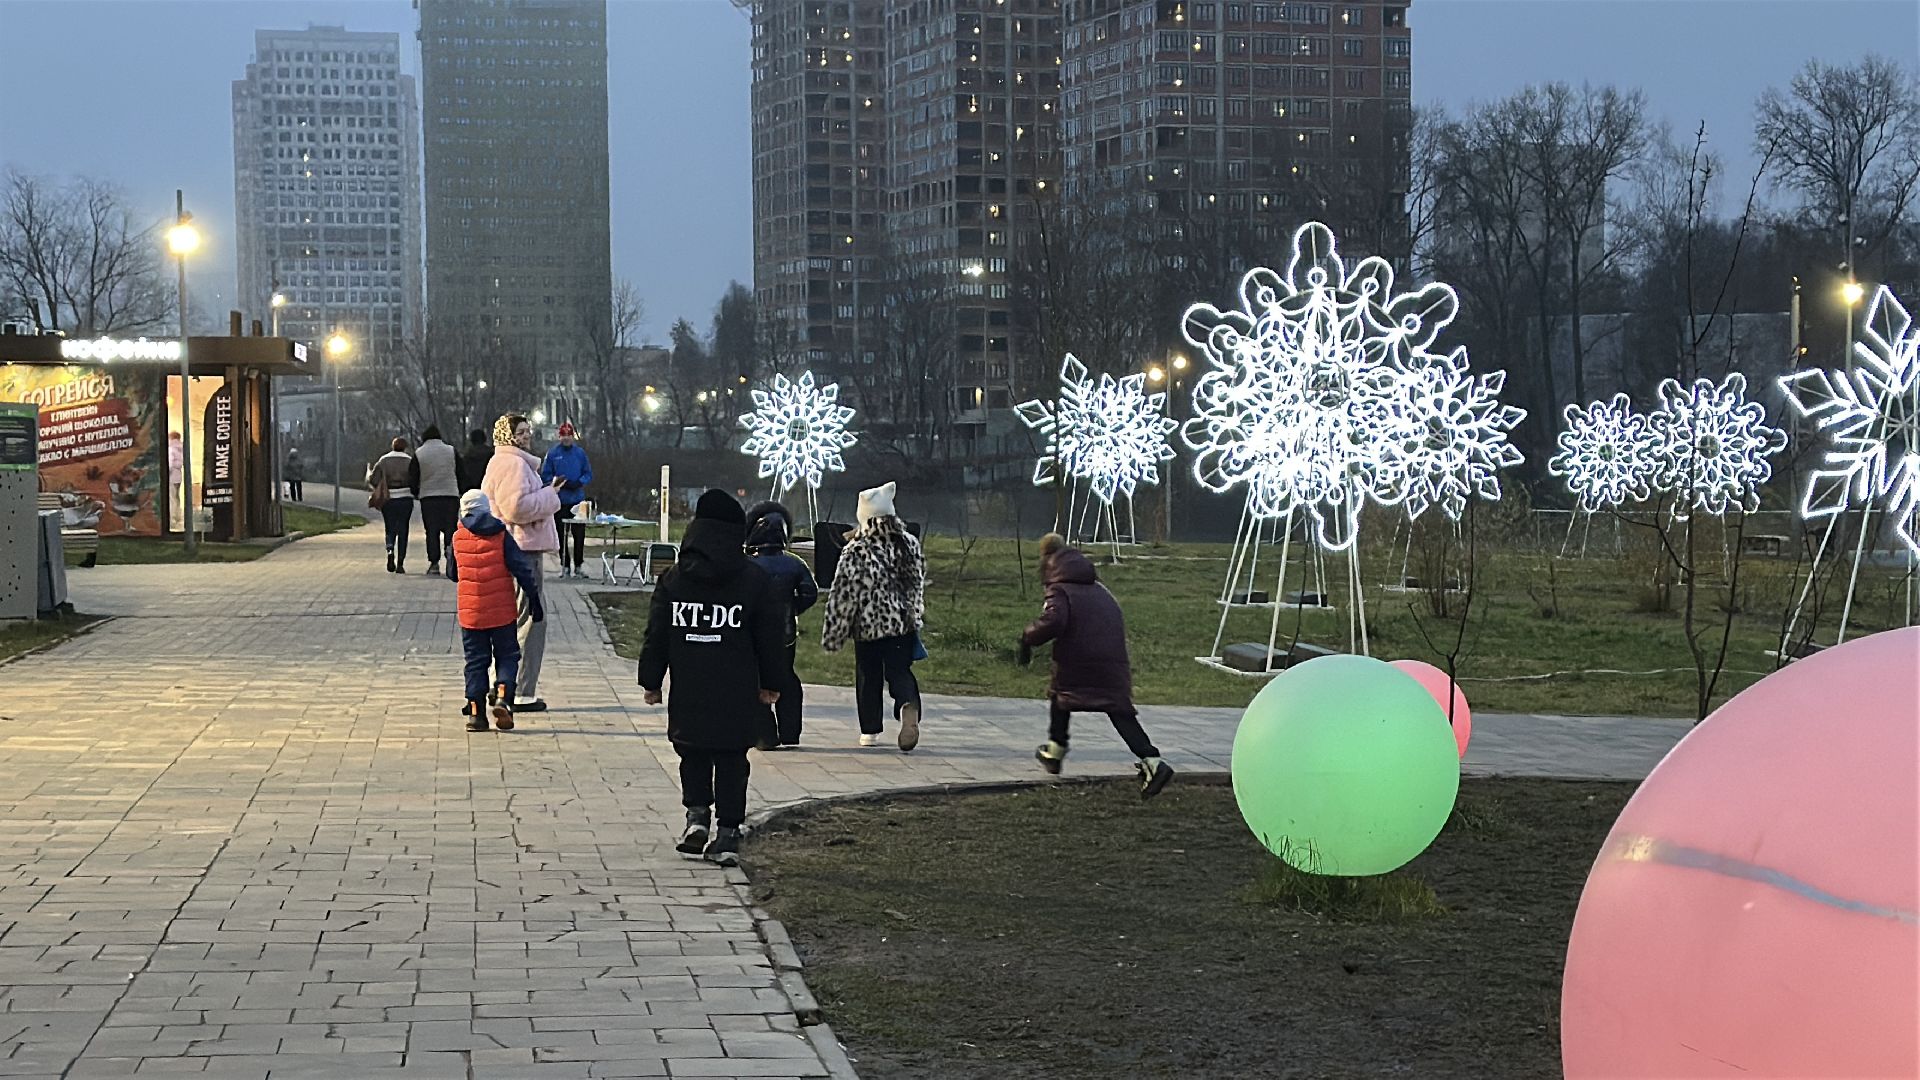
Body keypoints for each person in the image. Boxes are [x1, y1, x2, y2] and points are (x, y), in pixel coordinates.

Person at [638, 490, 787, 867]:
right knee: (733, 757)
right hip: (736, 687)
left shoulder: (674, 580)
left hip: (690, 685)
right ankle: (728, 832)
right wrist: (772, 682)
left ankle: (697, 817)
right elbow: (770, 636)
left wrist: (651, 680)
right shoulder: (753, 580)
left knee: (692, 751)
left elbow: (657, 634)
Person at [1020, 533, 1174, 800]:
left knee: (1061, 694)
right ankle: (1152, 760)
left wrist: (1027, 637)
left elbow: (1054, 621)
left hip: (1080, 659)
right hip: (1112, 661)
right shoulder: (1099, 589)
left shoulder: (1060, 589)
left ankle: (1055, 751)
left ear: (1048, 563)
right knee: (1116, 710)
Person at [820, 481, 925, 751]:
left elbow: (844, 593)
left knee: (868, 674)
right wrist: (914, 614)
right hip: (900, 623)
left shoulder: (856, 549)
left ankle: (870, 731)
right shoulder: (909, 544)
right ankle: (907, 705)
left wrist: (834, 634)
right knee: (900, 671)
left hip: (866, 626)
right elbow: (916, 583)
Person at [481, 414, 562, 713]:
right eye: (521, 432)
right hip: (523, 549)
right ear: (508, 435)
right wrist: (550, 495)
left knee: (510, 619)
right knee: (532, 619)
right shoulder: (514, 464)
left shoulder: (500, 462)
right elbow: (515, 507)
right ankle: (521, 691)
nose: (527, 436)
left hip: (509, 547)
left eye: (528, 431)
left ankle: (499, 682)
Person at [453, 489, 541, 733]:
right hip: (502, 612)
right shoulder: (501, 534)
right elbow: (522, 568)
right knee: (507, 655)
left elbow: (452, 572)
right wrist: (533, 597)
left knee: (475, 662)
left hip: (471, 613)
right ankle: (503, 696)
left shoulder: (457, 536)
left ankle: (475, 715)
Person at [746, 501, 819, 749]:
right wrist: (792, 609)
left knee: (754, 678)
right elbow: (810, 592)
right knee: (787, 677)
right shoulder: (795, 563)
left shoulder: (746, 564)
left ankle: (765, 732)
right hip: (785, 632)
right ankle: (790, 731)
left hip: (752, 632)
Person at [540, 423, 594, 579]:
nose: (566, 439)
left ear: (572, 436)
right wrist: (557, 483)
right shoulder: (553, 454)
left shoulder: (580, 453)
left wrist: (580, 482)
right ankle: (564, 565)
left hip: (577, 500)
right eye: (563, 436)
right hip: (560, 500)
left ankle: (578, 565)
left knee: (579, 534)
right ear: (559, 437)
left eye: (569, 436)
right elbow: (546, 476)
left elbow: (588, 473)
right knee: (560, 534)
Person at [367, 437, 421, 574]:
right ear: (405, 447)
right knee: (403, 528)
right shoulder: (409, 460)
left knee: (389, 526)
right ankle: (401, 563)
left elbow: (373, 480)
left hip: (388, 498)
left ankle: (390, 549)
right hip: (406, 498)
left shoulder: (384, 460)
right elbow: (416, 479)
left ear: (392, 446)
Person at [416, 426, 460, 578]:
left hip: (428, 497)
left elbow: (413, 476)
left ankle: (434, 563)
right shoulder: (451, 451)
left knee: (432, 531)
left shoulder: (419, 453)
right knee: (450, 528)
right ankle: (451, 556)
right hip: (450, 495)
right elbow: (460, 471)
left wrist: (417, 493)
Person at [456, 428, 491, 494]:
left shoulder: (466, 457)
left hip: (470, 492)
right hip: (488, 491)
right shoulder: (492, 455)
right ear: (484, 439)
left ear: (472, 440)